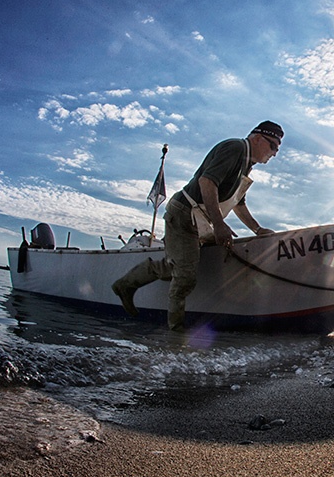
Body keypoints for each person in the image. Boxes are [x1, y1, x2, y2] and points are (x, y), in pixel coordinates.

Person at [111, 121, 283, 330]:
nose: (274, 153)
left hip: (200, 220)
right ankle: (176, 332)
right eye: (273, 145)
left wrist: (257, 230)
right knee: (185, 276)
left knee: (179, 266)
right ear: (257, 138)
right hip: (184, 214)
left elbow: (238, 203)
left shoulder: (246, 164)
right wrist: (219, 225)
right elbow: (207, 182)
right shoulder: (235, 148)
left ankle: (127, 283)